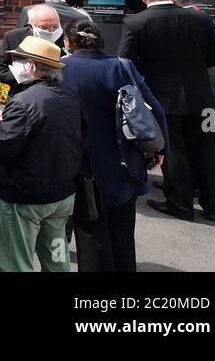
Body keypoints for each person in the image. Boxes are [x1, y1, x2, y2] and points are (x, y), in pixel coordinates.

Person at [118, 0, 215, 222]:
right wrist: (196, 67)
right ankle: (213, 206)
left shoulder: (136, 22)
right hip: (200, 95)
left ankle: (180, 204)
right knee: (206, 149)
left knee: (174, 150)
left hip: (163, 97)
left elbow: (125, 62)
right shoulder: (199, 18)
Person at [60, 19, 167, 271]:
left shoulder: (59, 68)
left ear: (67, 41)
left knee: (89, 234)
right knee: (122, 232)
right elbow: (154, 108)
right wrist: (161, 148)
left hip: (80, 163)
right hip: (123, 161)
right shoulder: (122, 66)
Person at [0, 35, 85, 272]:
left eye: (18, 61)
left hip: (26, 196)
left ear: (31, 66)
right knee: (57, 257)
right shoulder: (69, 96)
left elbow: (2, 145)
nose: (14, 66)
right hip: (62, 195)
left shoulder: (23, 101)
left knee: (16, 263)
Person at [0, 3, 68, 245]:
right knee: (5, 165)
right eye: (46, 27)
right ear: (30, 25)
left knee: (58, 166)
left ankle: (57, 233)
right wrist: (21, 75)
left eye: (55, 25)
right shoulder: (14, 37)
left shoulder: (65, 39)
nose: (52, 30)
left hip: (56, 108)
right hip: (22, 107)